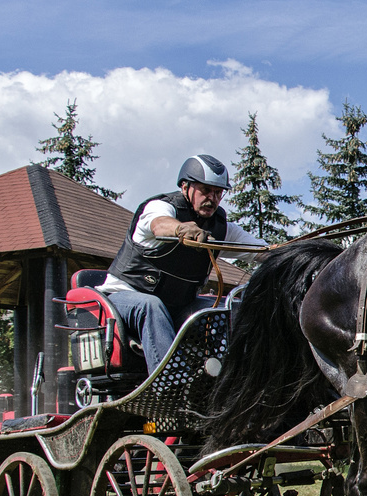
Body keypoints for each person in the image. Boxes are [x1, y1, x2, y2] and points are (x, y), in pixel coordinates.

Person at [101, 154, 262, 369]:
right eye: (205, 190)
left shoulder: (221, 227)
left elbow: (262, 251)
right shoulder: (160, 207)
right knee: (151, 305)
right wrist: (181, 229)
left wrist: (307, 249)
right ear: (185, 187)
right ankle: (169, 385)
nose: (212, 198)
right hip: (121, 298)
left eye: (218, 193)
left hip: (178, 306)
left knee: (230, 308)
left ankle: (232, 376)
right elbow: (159, 225)